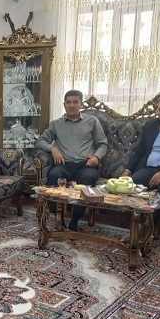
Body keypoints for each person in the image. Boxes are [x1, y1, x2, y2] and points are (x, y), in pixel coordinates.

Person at [35, 90, 108, 230]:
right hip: (64, 164)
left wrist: (96, 157)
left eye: (75, 102)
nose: (71, 105)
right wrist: (53, 149)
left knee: (87, 178)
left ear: (81, 104)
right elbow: (40, 141)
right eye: (68, 102)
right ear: (64, 105)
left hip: (86, 165)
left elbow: (103, 144)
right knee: (53, 175)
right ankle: (59, 218)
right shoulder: (56, 124)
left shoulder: (92, 121)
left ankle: (75, 220)